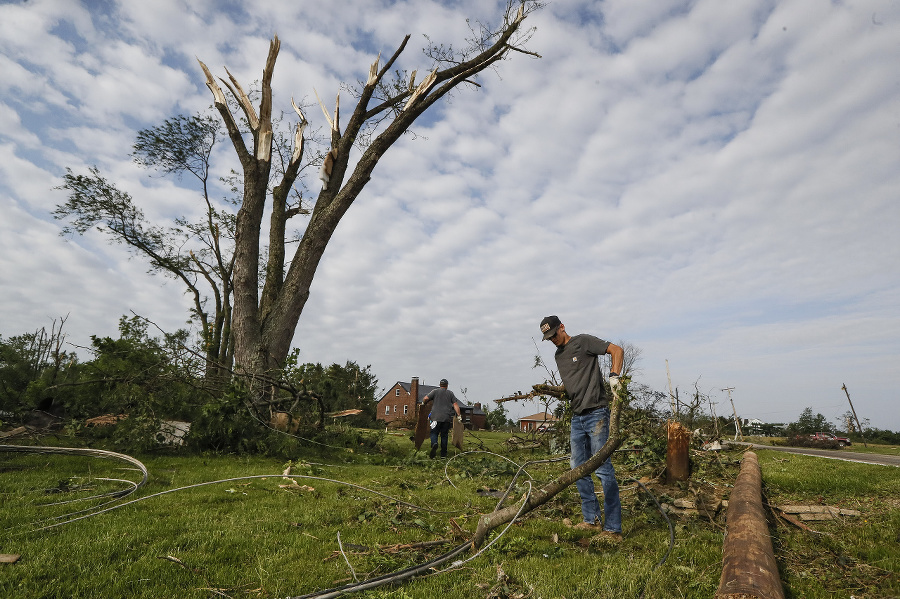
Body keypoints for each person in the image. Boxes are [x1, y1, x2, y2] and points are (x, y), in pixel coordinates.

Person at [540, 315, 625, 539]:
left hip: (597, 412)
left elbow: (616, 350)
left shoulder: (583, 342)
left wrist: (614, 376)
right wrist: (555, 390)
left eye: (554, 335)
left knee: (603, 469)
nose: (552, 340)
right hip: (577, 417)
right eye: (548, 338)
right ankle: (592, 520)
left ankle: (613, 528)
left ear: (562, 328)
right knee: (578, 469)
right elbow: (572, 385)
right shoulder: (559, 356)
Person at [423, 378, 462, 459]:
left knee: (434, 433)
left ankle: (434, 443)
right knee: (444, 436)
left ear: (440, 385)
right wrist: (458, 415)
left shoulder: (435, 391)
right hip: (446, 418)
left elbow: (426, 398)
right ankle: (443, 455)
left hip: (435, 418)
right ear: (447, 385)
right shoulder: (450, 393)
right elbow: (455, 404)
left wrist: (424, 403)